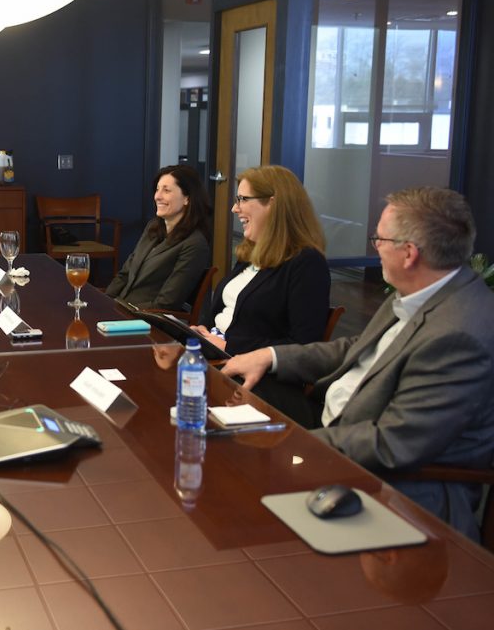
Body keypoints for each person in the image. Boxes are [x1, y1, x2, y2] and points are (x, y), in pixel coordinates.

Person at [222, 188, 494, 541]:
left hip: (392, 489)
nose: (374, 247)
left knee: (236, 504)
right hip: (337, 423)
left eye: (379, 238)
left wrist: (291, 446)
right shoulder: (424, 288)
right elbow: (359, 347)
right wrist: (271, 356)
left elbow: (391, 443)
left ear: (409, 253)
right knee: (226, 404)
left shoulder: (458, 335)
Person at [195, 164, 330, 355]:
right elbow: (224, 311)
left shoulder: (307, 264)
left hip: (250, 372)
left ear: (273, 204)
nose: (235, 208)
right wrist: (202, 331)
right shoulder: (251, 254)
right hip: (213, 353)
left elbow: (304, 346)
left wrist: (229, 346)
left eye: (242, 199)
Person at [105, 164, 211, 310]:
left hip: (147, 323)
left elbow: (167, 303)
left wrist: (122, 312)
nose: (157, 196)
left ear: (187, 198)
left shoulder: (195, 244)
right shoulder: (153, 227)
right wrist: (104, 302)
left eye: (166, 190)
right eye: (157, 189)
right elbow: (125, 274)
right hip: (121, 310)